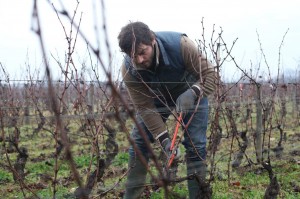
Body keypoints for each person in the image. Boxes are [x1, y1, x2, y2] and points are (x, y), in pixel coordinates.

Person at [118, 21, 217, 199]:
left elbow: (210, 75)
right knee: (139, 141)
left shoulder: (181, 46)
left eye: (142, 52)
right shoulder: (129, 70)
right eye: (134, 56)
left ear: (152, 40)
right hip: (157, 98)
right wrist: (164, 140)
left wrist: (194, 92)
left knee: (196, 145)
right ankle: (132, 196)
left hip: (191, 91)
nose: (139, 60)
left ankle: (198, 195)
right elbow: (145, 107)